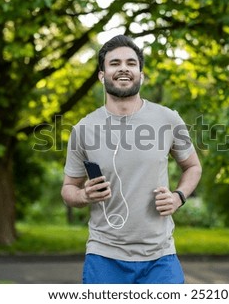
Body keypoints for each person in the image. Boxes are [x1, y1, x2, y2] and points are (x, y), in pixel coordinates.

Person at [61, 35, 202, 284]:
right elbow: (68, 188)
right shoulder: (83, 129)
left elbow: (192, 167)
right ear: (102, 75)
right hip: (104, 256)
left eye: (131, 63)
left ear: (141, 74)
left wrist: (178, 197)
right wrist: (83, 195)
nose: (123, 68)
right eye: (114, 63)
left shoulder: (167, 120)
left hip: (160, 257)